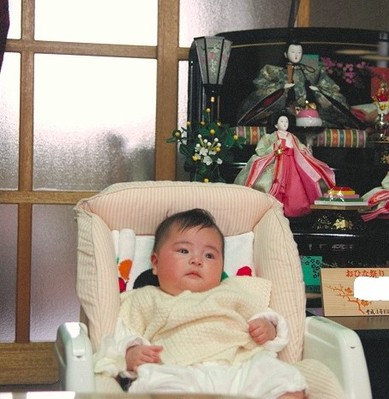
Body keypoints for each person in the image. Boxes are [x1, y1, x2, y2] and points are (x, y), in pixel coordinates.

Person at [93, 208, 307, 399]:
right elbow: (120, 334)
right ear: (155, 263)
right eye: (184, 251)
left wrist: (268, 327)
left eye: (209, 255)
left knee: (281, 377)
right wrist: (131, 352)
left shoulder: (232, 291)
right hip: (178, 368)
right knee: (160, 385)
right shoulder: (145, 298)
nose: (197, 260)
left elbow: (266, 315)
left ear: (222, 265)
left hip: (239, 364)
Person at [237, 40, 362, 128]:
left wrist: (318, 91)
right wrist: (280, 88)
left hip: (309, 114)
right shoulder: (274, 71)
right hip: (283, 114)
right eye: (293, 52)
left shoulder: (313, 72)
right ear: (286, 54)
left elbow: (333, 89)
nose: (296, 55)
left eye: (299, 52)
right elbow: (260, 86)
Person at [234, 113, 336, 217]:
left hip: (293, 164)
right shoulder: (270, 137)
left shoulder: (292, 136)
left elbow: (300, 147)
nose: (284, 124)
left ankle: (295, 209)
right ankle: (272, 209)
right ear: (276, 125)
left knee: (295, 186)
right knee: (273, 184)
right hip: (277, 163)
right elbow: (260, 150)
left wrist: (305, 150)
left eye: (286, 121)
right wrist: (273, 149)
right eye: (281, 121)